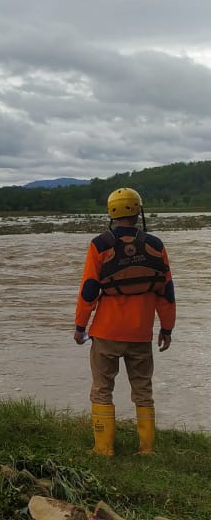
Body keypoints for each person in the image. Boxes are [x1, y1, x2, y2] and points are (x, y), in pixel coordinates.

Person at [74, 187, 175, 457]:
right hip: (141, 333)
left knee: (102, 389)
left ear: (111, 212)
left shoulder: (99, 245)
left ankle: (103, 448)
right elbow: (166, 292)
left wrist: (80, 326)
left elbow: (89, 290)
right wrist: (167, 327)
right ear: (138, 210)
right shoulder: (155, 245)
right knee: (143, 389)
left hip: (106, 332)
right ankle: (146, 449)